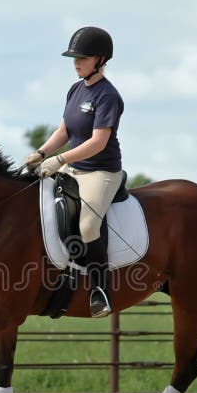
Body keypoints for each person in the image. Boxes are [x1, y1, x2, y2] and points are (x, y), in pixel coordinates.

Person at [24, 26, 124, 318]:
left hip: (101, 172)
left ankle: (100, 290)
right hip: (74, 167)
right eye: (74, 57)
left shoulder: (108, 96)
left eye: (83, 57)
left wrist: (59, 160)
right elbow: (65, 130)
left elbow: (98, 142)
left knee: (88, 227)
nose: (76, 62)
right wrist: (41, 153)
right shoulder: (76, 88)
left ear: (100, 59)